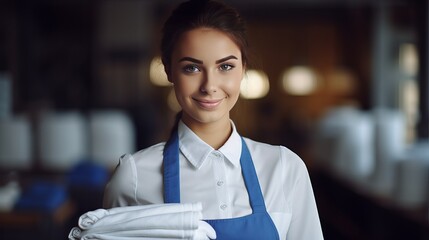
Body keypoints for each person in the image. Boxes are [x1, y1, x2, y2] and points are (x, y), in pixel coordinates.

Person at [103, 0, 324, 239]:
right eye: (192, 68)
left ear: (243, 69)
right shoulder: (134, 177)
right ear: (168, 70)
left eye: (226, 66)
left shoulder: (284, 168)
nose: (209, 86)